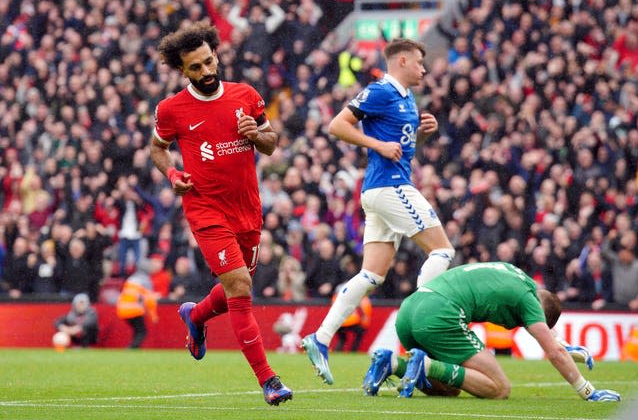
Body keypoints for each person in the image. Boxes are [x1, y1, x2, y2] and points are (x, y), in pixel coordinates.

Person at [148, 22, 292, 406]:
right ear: (183, 71)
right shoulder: (172, 109)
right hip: (205, 208)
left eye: (209, 61)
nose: (207, 72)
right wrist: (172, 173)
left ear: (216, 54)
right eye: (196, 68)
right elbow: (157, 148)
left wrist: (256, 135)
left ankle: (196, 316)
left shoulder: (246, 95)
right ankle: (269, 380)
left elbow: (272, 145)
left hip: (248, 209)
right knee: (241, 289)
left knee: (233, 292)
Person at [302, 38, 454, 384]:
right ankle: (422, 343)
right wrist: (377, 144)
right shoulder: (381, 90)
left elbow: (400, 149)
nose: (424, 69)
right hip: (389, 187)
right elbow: (337, 125)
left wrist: (421, 134)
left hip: (381, 189)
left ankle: (320, 338)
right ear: (401, 60)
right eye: (418, 62)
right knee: (443, 250)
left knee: (372, 276)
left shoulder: (407, 97)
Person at [361, 262, 621, 402]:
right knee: (499, 388)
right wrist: (587, 390)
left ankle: (393, 362)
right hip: (440, 313)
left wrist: (564, 344)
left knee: (450, 389)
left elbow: (551, 340)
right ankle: (425, 365)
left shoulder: (518, 275)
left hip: (409, 309)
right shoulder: (529, 303)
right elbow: (553, 352)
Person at [115, 270, 158, 349]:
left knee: (137, 330)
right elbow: (149, 301)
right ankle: (132, 347)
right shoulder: (144, 284)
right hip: (134, 311)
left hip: (122, 311)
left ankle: (134, 347)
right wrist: (153, 316)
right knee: (142, 331)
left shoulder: (129, 284)